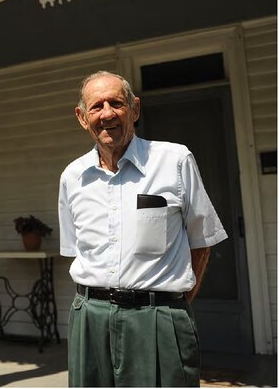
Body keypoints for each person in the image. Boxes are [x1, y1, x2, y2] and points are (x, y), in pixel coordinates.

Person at [58, 71, 227, 387]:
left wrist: (168, 308)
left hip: (157, 318)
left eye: (116, 103)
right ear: (82, 117)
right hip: (89, 319)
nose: (107, 113)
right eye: (97, 106)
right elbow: (76, 251)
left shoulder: (175, 160)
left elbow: (201, 242)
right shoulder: (72, 177)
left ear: (134, 109)